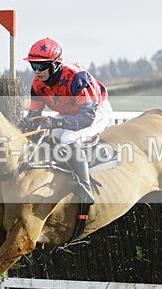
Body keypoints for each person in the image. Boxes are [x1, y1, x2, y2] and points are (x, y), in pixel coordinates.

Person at [16, 37, 113, 204]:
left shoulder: (76, 77)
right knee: (46, 132)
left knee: (68, 137)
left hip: (96, 111)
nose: (36, 71)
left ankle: (85, 187)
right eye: (33, 65)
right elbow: (34, 114)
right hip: (71, 113)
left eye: (40, 66)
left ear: (55, 64)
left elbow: (87, 117)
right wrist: (26, 122)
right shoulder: (37, 84)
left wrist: (57, 123)